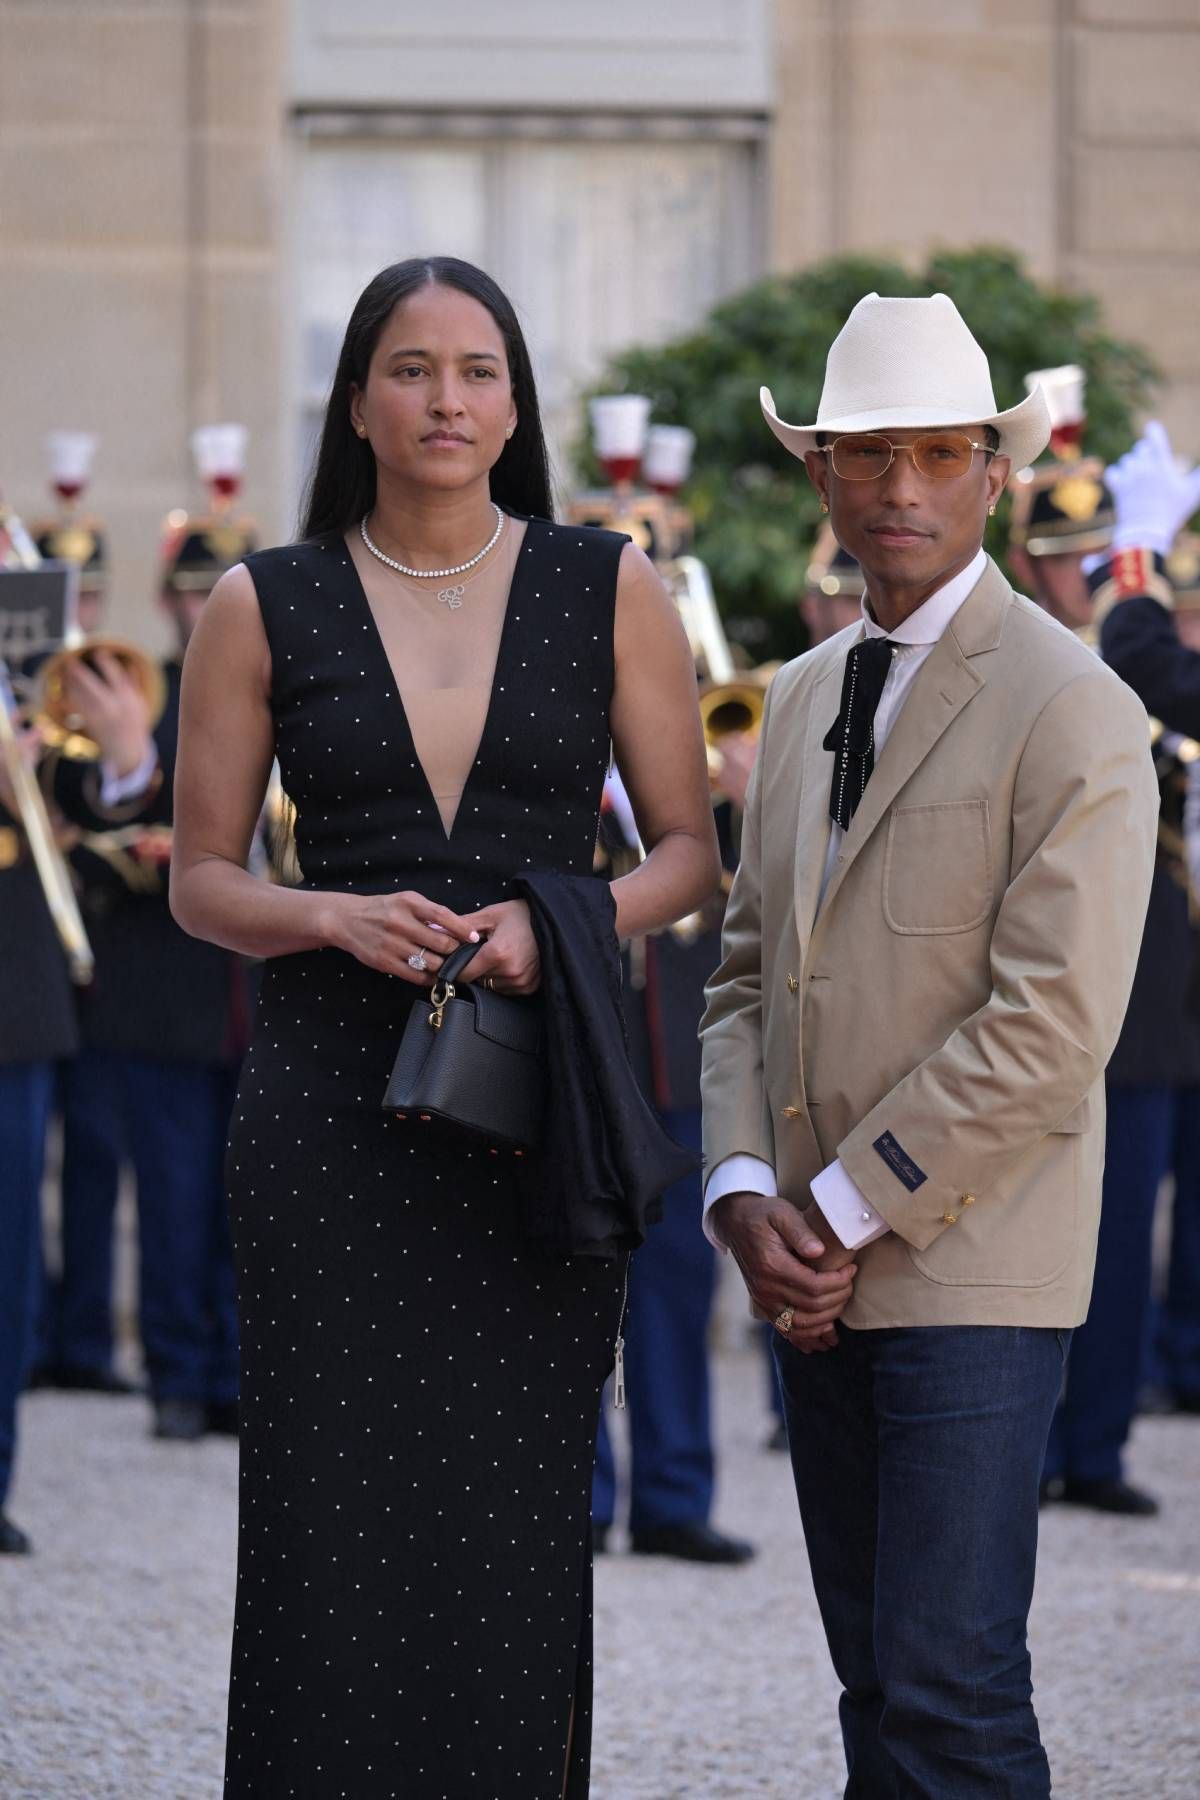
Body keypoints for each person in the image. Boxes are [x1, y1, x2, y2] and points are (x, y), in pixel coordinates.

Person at [169, 256, 718, 1797]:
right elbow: (201, 881)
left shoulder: (606, 583)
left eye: (479, 371)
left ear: (517, 405)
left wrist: (563, 919)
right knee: (325, 1526)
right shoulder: (259, 601)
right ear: (356, 401)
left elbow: (689, 852)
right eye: (410, 370)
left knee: (515, 1523)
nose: (446, 401)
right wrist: (329, 916)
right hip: (329, 1120)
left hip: (534, 1118)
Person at [701, 292, 1157, 1797]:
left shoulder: (1075, 704)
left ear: (997, 476)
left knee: (953, 1698)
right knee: (878, 1687)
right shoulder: (802, 693)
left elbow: (1054, 1024)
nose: (902, 486)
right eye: (867, 453)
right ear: (821, 475)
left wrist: (834, 1213)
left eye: (941, 453)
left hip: (969, 1269)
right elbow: (745, 975)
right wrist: (744, 1197)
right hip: (808, 1266)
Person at [44, 477, 258, 1442]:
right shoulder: (136, 695)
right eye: (194, 591)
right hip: (162, 993)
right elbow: (90, 828)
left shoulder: (285, 697)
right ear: (169, 599)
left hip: (256, 997)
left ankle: (240, 1375)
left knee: (250, 1204)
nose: (206, 609)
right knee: (172, 1197)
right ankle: (179, 1373)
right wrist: (135, 765)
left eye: (224, 590)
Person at [591, 767, 754, 1562]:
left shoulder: (714, 789)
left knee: (680, 1282)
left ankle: (673, 1496)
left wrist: (749, 797)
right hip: (587, 1056)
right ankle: (574, 1499)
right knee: (568, 1280)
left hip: (682, 1061)